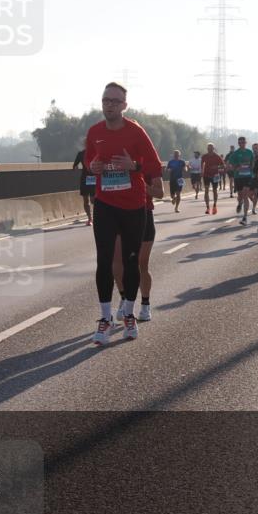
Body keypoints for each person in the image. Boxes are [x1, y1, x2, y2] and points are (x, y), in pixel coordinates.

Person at [84, 82, 163, 346]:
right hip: (105, 202)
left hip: (133, 205)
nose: (110, 105)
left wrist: (134, 165)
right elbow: (89, 161)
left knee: (131, 262)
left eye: (115, 101)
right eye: (106, 100)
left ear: (124, 106)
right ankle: (106, 318)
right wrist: (93, 166)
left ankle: (128, 313)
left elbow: (153, 165)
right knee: (104, 261)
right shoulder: (95, 132)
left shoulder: (136, 132)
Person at [114, 167, 162, 324]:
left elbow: (160, 193)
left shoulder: (148, 162)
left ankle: (145, 304)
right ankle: (124, 299)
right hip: (119, 215)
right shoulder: (114, 161)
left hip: (143, 214)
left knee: (141, 264)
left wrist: (140, 184)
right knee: (118, 262)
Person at [227, 136, 255, 225]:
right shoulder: (235, 154)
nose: (242, 144)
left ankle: (245, 217)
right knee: (240, 195)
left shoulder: (249, 152)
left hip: (247, 176)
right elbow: (229, 164)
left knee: (245, 195)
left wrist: (252, 167)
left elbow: (253, 163)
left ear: (246, 143)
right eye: (240, 143)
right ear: (238, 144)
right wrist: (235, 167)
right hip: (238, 177)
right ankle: (240, 203)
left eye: (243, 142)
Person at [73, 142, 95, 225]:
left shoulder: (96, 152)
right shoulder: (81, 154)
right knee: (86, 200)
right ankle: (90, 219)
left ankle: (96, 216)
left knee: (93, 200)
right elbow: (75, 165)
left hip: (93, 177)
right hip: (85, 178)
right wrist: (75, 167)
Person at [201, 143, 224, 214]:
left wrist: (216, 167)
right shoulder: (204, 156)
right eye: (208, 148)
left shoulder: (217, 156)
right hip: (206, 175)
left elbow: (223, 166)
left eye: (211, 148)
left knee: (214, 191)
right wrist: (201, 171)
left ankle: (214, 205)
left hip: (215, 176)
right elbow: (201, 164)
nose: (209, 150)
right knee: (206, 190)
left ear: (213, 149)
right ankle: (207, 207)